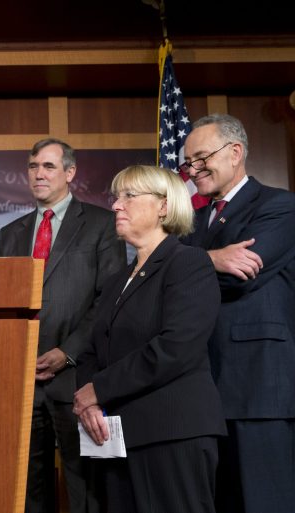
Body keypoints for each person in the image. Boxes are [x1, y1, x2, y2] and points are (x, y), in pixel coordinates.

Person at [73, 164, 227, 513]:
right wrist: (89, 402)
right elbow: (90, 351)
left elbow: (176, 347)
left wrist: (99, 389)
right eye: (116, 197)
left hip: (172, 433)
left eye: (129, 196)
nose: (116, 205)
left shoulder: (188, 263)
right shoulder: (117, 280)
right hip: (114, 439)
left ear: (163, 206)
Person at [0, 138, 125, 513]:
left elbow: (108, 300)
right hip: (23, 381)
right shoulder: (10, 233)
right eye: (33, 166)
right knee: (28, 489)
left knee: (84, 488)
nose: (39, 173)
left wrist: (67, 352)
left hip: (77, 378)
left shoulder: (102, 224)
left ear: (70, 172)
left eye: (48, 166)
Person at [181, 114, 295, 513]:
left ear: (235, 152)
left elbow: (239, 279)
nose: (193, 169)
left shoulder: (280, 205)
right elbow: (170, 283)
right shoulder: (192, 221)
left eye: (201, 158)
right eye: (188, 162)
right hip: (204, 388)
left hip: (258, 390)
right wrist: (212, 259)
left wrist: (192, 266)